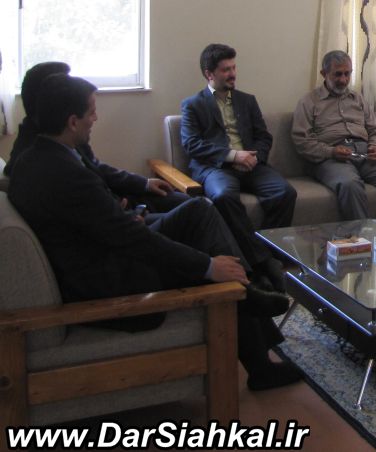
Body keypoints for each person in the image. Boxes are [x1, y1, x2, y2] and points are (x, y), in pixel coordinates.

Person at [9, 74, 301, 390]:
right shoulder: (66, 174)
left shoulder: (35, 158)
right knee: (209, 250)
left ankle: (248, 295)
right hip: (111, 281)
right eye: (91, 111)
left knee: (199, 210)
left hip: (103, 254)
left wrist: (128, 214)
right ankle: (251, 318)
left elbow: (97, 222)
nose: (96, 118)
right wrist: (208, 266)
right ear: (72, 121)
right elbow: (131, 239)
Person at [5, 62, 188, 216]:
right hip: (114, 215)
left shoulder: (65, 131)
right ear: (47, 96)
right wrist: (113, 206)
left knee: (186, 202)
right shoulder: (31, 154)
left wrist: (144, 183)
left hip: (119, 199)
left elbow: (95, 166)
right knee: (193, 212)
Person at [181, 43, 296, 288]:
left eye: (233, 68)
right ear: (209, 74)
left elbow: (263, 136)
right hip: (217, 168)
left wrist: (254, 157)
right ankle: (263, 263)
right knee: (223, 196)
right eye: (225, 70)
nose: (232, 74)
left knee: (285, 192)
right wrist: (233, 156)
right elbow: (192, 144)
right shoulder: (193, 105)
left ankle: (265, 254)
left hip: (252, 165)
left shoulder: (247, 100)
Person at [292, 50, 376, 220]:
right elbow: (302, 141)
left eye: (347, 74)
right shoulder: (309, 102)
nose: (343, 80)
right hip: (330, 157)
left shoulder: (358, 99)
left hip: (364, 152)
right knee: (350, 184)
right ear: (324, 74)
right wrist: (331, 152)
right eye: (338, 74)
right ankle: (363, 235)